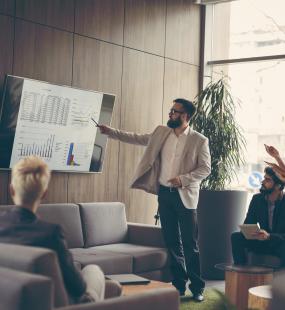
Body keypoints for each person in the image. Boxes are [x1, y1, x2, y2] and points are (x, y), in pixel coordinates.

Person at [99, 98, 211, 301]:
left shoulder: (199, 140)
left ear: (185, 115)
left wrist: (183, 179)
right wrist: (111, 132)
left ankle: (198, 287)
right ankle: (178, 285)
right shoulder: (161, 132)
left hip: (185, 196)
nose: (170, 114)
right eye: (171, 110)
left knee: (190, 244)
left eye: (175, 111)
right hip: (165, 194)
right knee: (171, 242)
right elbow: (138, 138)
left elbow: (205, 169)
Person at [0, 156, 108, 304]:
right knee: (93, 270)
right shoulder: (50, 234)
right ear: (44, 193)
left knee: (112, 288)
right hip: (63, 304)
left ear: (11, 189)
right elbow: (78, 287)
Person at [231, 167, 285, 266]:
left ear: (278, 186)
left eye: (267, 180)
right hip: (261, 242)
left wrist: (269, 236)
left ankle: (280, 279)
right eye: (264, 178)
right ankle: (241, 273)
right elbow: (248, 224)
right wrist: (252, 232)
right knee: (236, 237)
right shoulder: (257, 199)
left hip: (278, 243)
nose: (263, 181)